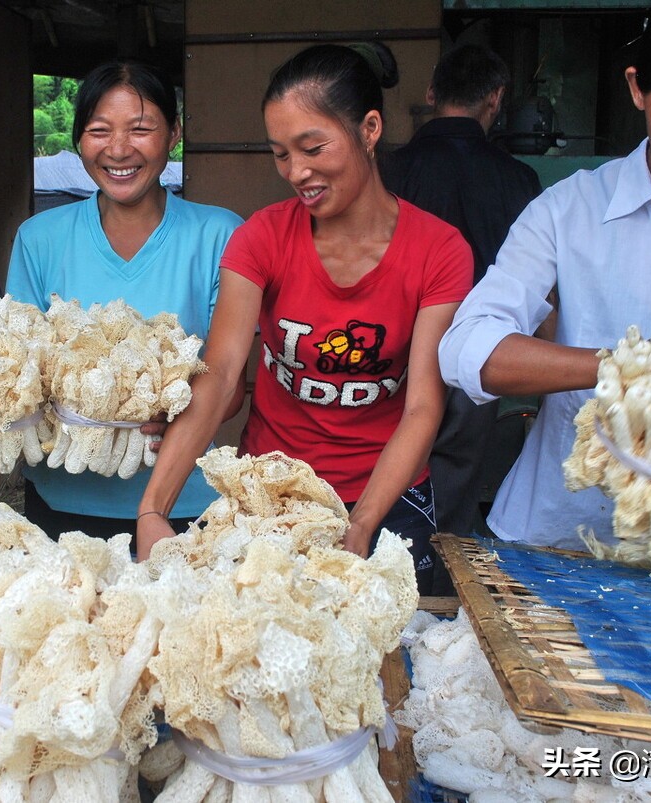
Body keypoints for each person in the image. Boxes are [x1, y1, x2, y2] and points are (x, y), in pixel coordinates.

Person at [137, 43, 474, 594]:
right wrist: (154, 509)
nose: (297, 171)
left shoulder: (439, 251)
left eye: (313, 147)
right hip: (269, 492)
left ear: (369, 129)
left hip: (388, 497)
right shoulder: (262, 238)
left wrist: (362, 523)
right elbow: (220, 376)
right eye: (280, 154)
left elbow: (421, 407)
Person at [438, 0, 651, 571]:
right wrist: (630, 366)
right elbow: (468, 350)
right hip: (561, 542)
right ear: (638, 89)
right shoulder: (570, 209)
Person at [6, 59, 245, 542]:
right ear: (78, 140)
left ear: (174, 134)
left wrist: (177, 411)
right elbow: (18, 373)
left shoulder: (219, 235)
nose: (118, 150)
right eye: (99, 130)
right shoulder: (39, 238)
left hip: (185, 500)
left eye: (141, 129)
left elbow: (233, 385)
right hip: (58, 500)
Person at [383, 44, 542, 542]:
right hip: (478, 357)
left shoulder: (386, 171)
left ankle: (376, 566)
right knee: (453, 478)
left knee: (388, 461)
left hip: (389, 351)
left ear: (431, 93)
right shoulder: (519, 179)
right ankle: (440, 587)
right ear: (494, 99)